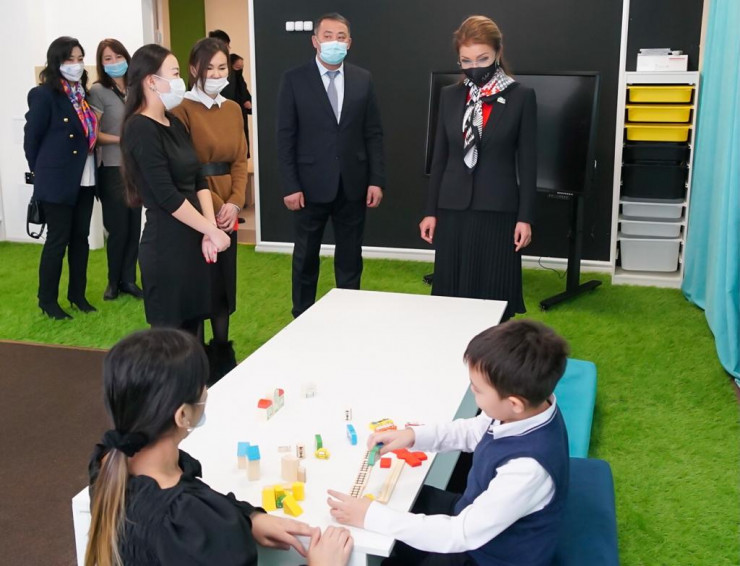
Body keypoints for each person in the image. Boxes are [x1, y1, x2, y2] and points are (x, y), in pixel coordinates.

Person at [84, 328, 354, 566]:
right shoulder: (191, 522)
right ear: (182, 415)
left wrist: (248, 518)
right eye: (202, 386)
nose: (205, 391)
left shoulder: (110, 463)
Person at [327, 320, 570, 566]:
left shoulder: (527, 469)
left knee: (390, 530)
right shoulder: (529, 407)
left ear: (514, 403)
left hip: (490, 555)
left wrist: (370, 516)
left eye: (477, 390)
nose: (472, 391)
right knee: (404, 500)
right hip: (471, 516)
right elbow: (473, 431)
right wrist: (413, 436)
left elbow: (460, 534)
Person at [419, 16, 537, 322]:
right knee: (451, 296)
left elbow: (528, 163)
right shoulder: (449, 95)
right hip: (452, 209)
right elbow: (440, 158)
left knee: (494, 293)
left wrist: (525, 217)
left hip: (497, 210)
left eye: (482, 58)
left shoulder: (521, 97)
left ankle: (494, 351)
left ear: (498, 52)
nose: (474, 67)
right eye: (466, 61)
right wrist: (430, 211)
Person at [277, 12, 385, 318]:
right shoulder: (294, 79)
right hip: (308, 186)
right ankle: (301, 316)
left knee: (350, 257)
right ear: (315, 41)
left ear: (349, 43)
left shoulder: (363, 79)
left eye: (340, 37)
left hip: (353, 184)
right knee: (305, 256)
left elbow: (373, 133)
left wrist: (377, 180)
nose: (334, 42)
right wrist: (290, 185)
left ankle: (347, 316)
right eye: (328, 36)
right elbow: (285, 136)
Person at [120, 44, 231, 335]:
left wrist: (209, 229)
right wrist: (211, 231)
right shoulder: (140, 128)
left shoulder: (174, 122)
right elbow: (167, 196)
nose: (180, 81)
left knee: (195, 329)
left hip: (194, 240)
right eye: (174, 73)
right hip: (167, 247)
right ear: (151, 81)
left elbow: (198, 178)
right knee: (172, 339)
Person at [172, 38, 248, 383]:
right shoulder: (180, 110)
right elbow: (187, 169)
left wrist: (234, 203)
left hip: (227, 208)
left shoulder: (232, 109)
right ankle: (196, 364)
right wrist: (215, 212)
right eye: (209, 68)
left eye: (222, 68)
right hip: (195, 206)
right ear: (193, 69)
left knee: (222, 286)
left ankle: (222, 358)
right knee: (199, 286)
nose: (217, 75)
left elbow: (239, 161)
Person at [24, 36, 98, 319]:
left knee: (81, 238)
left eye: (80, 59)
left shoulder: (83, 96)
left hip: (85, 178)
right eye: (69, 59)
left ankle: (77, 295)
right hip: (57, 181)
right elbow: (31, 140)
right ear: (56, 62)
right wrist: (43, 173)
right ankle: (47, 301)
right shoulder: (44, 95)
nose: (76, 65)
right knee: (57, 240)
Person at [88, 38, 144, 302]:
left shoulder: (137, 87)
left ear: (126, 58)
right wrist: (122, 139)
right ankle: (113, 282)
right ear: (101, 64)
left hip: (136, 167)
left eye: (118, 57)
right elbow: (94, 135)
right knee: (118, 228)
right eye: (107, 59)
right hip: (111, 168)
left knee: (134, 227)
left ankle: (129, 280)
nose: (114, 62)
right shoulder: (98, 91)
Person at [229, 53, 253, 157]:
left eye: (241, 68)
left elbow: (246, 96)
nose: (240, 70)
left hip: (242, 118)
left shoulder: (241, 81)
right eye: (237, 67)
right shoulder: (228, 83)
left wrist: (250, 104)